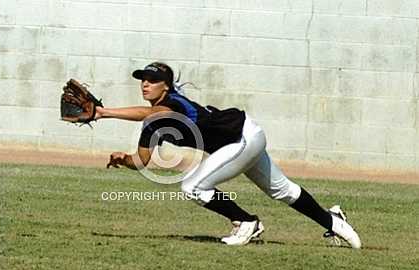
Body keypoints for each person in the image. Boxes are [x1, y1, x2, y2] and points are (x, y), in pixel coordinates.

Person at [94, 61, 361, 248]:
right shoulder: (152, 124)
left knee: (193, 186)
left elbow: (154, 113)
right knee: (284, 191)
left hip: (242, 138)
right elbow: (142, 159)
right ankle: (334, 220)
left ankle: (247, 222)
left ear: (166, 86)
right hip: (240, 141)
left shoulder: (175, 103)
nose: (145, 84)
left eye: (153, 80)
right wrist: (124, 160)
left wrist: (103, 112)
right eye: (143, 79)